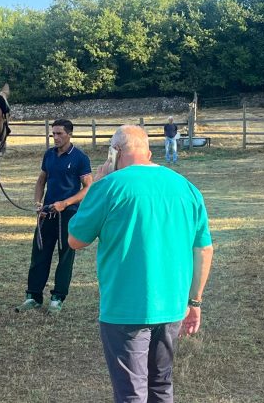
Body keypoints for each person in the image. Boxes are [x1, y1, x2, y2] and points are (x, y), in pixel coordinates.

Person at [68, 125, 213, 402]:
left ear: (116, 152)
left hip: (125, 309)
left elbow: (76, 239)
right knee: (161, 385)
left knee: (131, 392)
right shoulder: (186, 188)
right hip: (172, 306)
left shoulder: (108, 187)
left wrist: (94, 187)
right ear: (148, 152)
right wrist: (194, 302)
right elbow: (204, 249)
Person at [15, 119, 93, 315]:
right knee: (39, 254)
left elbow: (88, 188)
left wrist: (65, 203)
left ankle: (57, 297)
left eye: (59, 134)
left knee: (65, 256)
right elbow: (41, 180)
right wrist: (38, 203)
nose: (55, 137)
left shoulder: (80, 158)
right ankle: (33, 296)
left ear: (69, 134)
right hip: (47, 213)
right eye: (53, 134)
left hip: (68, 215)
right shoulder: (48, 155)